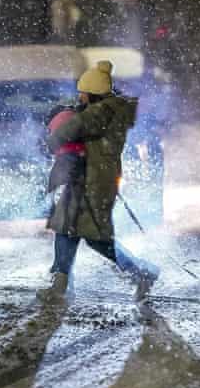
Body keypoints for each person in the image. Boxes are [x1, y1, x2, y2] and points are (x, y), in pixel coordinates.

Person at [38, 60, 160, 302]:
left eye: (83, 93)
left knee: (92, 238)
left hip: (92, 184)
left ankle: (140, 272)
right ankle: (60, 281)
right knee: (68, 229)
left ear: (92, 93)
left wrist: (54, 140)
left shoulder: (101, 114)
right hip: (87, 181)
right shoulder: (104, 112)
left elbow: (75, 131)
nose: (79, 97)